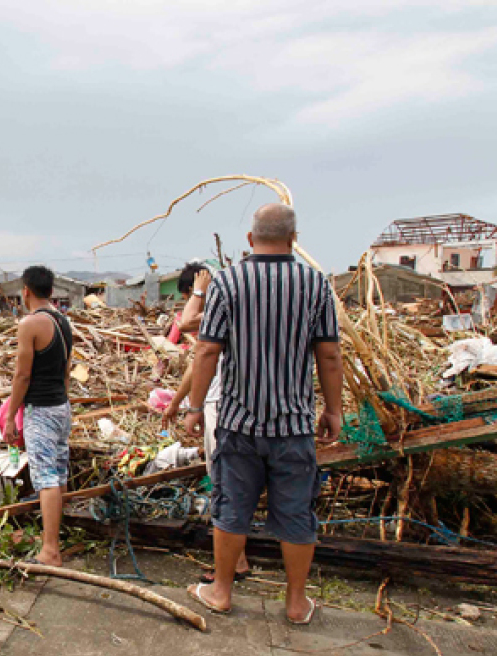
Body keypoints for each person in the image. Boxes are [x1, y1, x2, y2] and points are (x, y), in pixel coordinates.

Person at [183, 203, 344, 625]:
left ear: (250, 240)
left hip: (238, 422)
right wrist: (334, 409)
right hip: (293, 425)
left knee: (232, 507)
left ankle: (220, 591)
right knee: (296, 513)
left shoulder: (228, 282)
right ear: (294, 239)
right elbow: (328, 353)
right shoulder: (315, 285)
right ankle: (295, 605)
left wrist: (195, 407)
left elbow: (207, 349)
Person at [162, 263, 252, 582]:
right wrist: (175, 403)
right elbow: (198, 363)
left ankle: (232, 564)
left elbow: (186, 323)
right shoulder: (236, 307)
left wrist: (200, 290)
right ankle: (236, 558)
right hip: (234, 404)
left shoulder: (221, 307)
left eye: (188, 295)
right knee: (231, 482)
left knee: (224, 483)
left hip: (222, 405)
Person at [3, 265, 73, 567]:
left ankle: (50, 550)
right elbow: (66, 370)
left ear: (26, 291)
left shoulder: (30, 324)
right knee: (58, 473)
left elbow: (22, 375)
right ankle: (56, 535)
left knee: (46, 479)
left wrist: (10, 416)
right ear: (51, 291)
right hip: (61, 407)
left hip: (40, 411)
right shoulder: (63, 321)